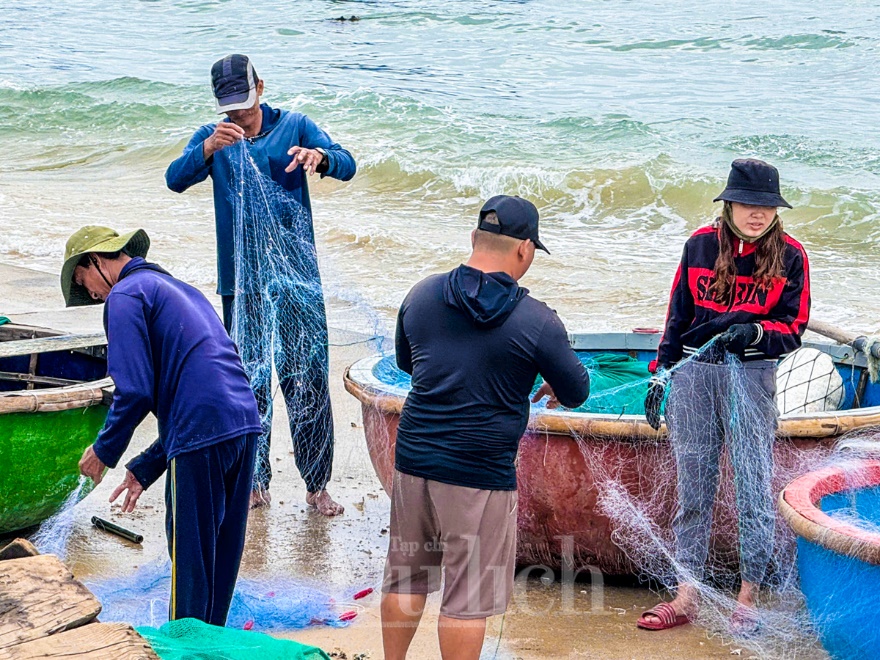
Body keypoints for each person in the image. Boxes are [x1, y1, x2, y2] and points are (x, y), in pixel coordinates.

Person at [381, 196, 590, 660]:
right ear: (525, 251)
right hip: (481, 473)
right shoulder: (537, 320)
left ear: (474, 239)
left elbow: (407, 365)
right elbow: (577, 389)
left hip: (414, 460)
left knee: (405, 576)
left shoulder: (420, 295)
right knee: (466, 599)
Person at [165, 54, 356, 515]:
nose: (238, 115)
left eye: (245, 104)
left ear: (261, 88)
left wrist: (321, 158)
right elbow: (175, 178)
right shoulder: (214, 137)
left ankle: (317, 485)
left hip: (297, 280)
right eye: (229, 106)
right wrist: (209, 149)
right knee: (249, 382)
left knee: (305, 377)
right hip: (241, 283)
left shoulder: (295, 126)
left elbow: (347, 163)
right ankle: (254, 482)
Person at [639, 159, 810, 633]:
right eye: (749, 203)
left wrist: (754, 332)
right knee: (694, 486)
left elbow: (793, 328)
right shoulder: (698, 245)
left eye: (767, 205)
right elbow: (676, 318)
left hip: (752, 376)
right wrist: (660, 376)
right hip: (695, 375)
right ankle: (687, 592)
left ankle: (749, 595)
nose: (758, 214)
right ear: (729, 203)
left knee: (753, 489)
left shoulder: (792, 256)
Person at [65, 226, 262, 626]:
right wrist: (146, 467)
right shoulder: (181, 290)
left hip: (200, 432)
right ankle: (211, 647)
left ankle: (188, 649)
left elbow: (135, 390)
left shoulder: (124, 296)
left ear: (96, 261)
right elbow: (199, 385)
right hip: (244, 422)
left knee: (191, 560)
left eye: (83, 283)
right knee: (220, 558)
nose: (91, 294)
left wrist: (105, 450)